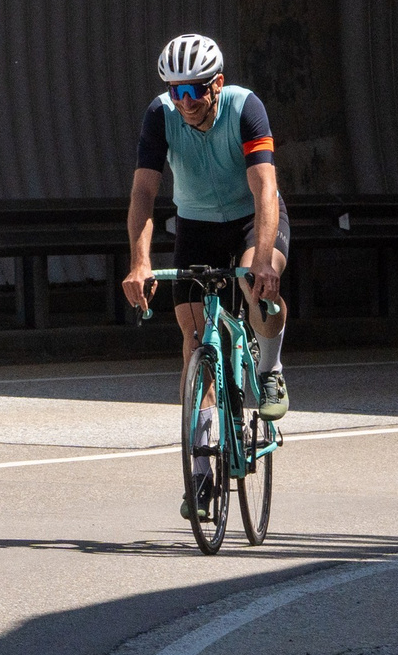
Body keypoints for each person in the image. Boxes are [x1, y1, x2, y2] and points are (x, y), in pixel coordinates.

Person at [120, 34, 290, 517]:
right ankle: (199, 471)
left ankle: (270, 368)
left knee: (261, 289)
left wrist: (260, 258)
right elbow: (143, 196)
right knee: (194, 339)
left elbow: (265, 188)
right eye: (176, 91)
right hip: (195, 224)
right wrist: (139, 260)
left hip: (250, 218)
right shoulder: (161, 116)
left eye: (193, 90)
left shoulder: (246, 108)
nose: (185, 102)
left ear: (216, 84)